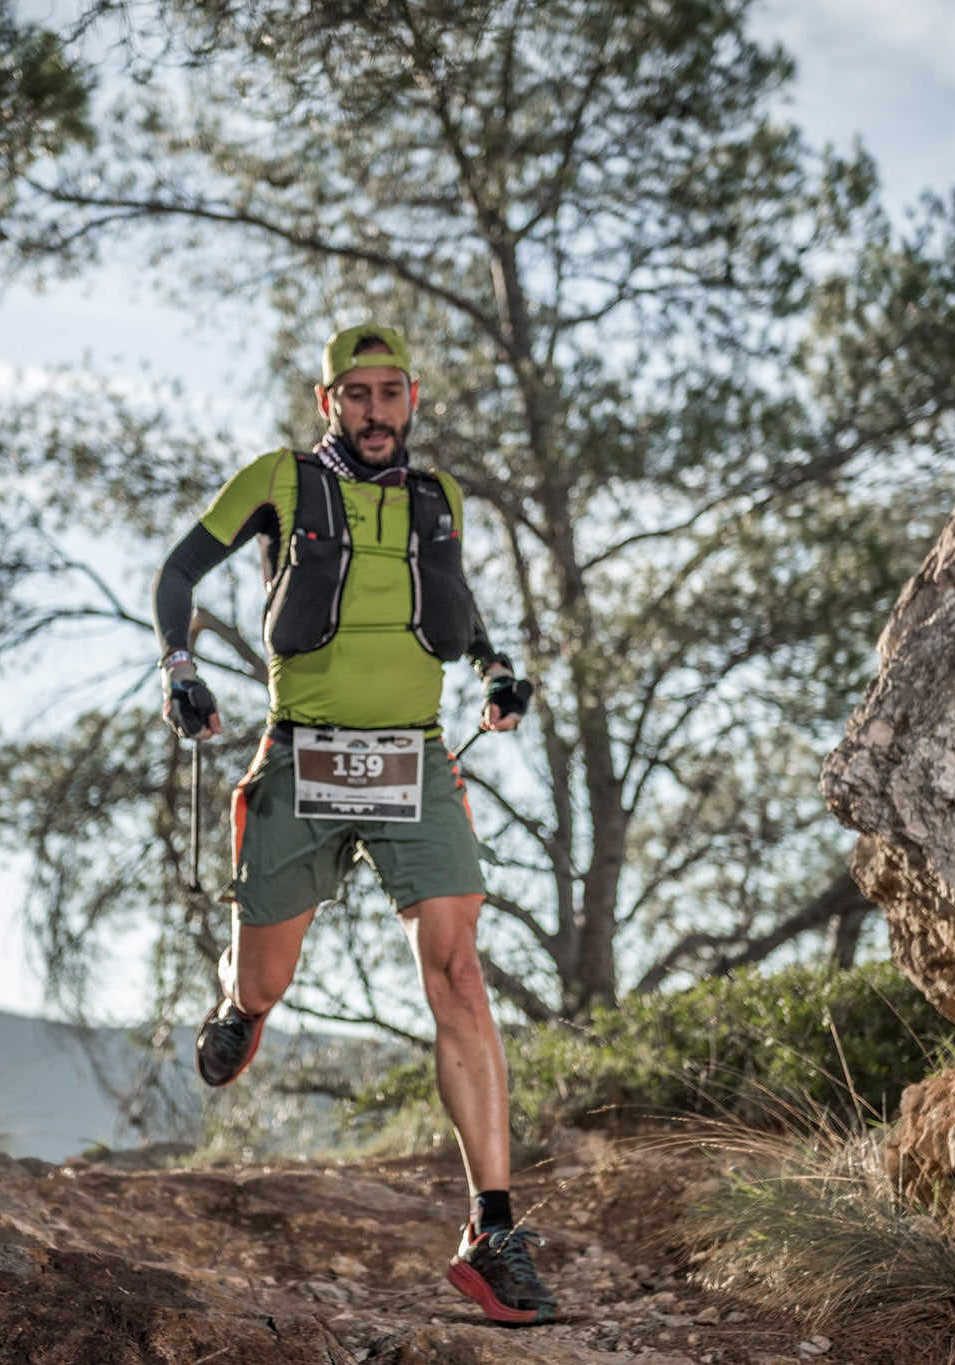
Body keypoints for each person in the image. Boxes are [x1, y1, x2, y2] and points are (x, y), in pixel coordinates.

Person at [150, 323, 556, 1326]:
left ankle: (490, 1232)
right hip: (301, 756)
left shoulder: (437, 500)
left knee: (458, 971)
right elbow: (176, 576)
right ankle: (239, 1011)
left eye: (389, 393)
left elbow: (454, 609)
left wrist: (496, 671)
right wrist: (180, 671)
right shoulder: (278, 483)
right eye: (355, 394)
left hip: (413, 760)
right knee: (263, 979)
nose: (374, 411)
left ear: (410, 397)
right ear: (326, 400)